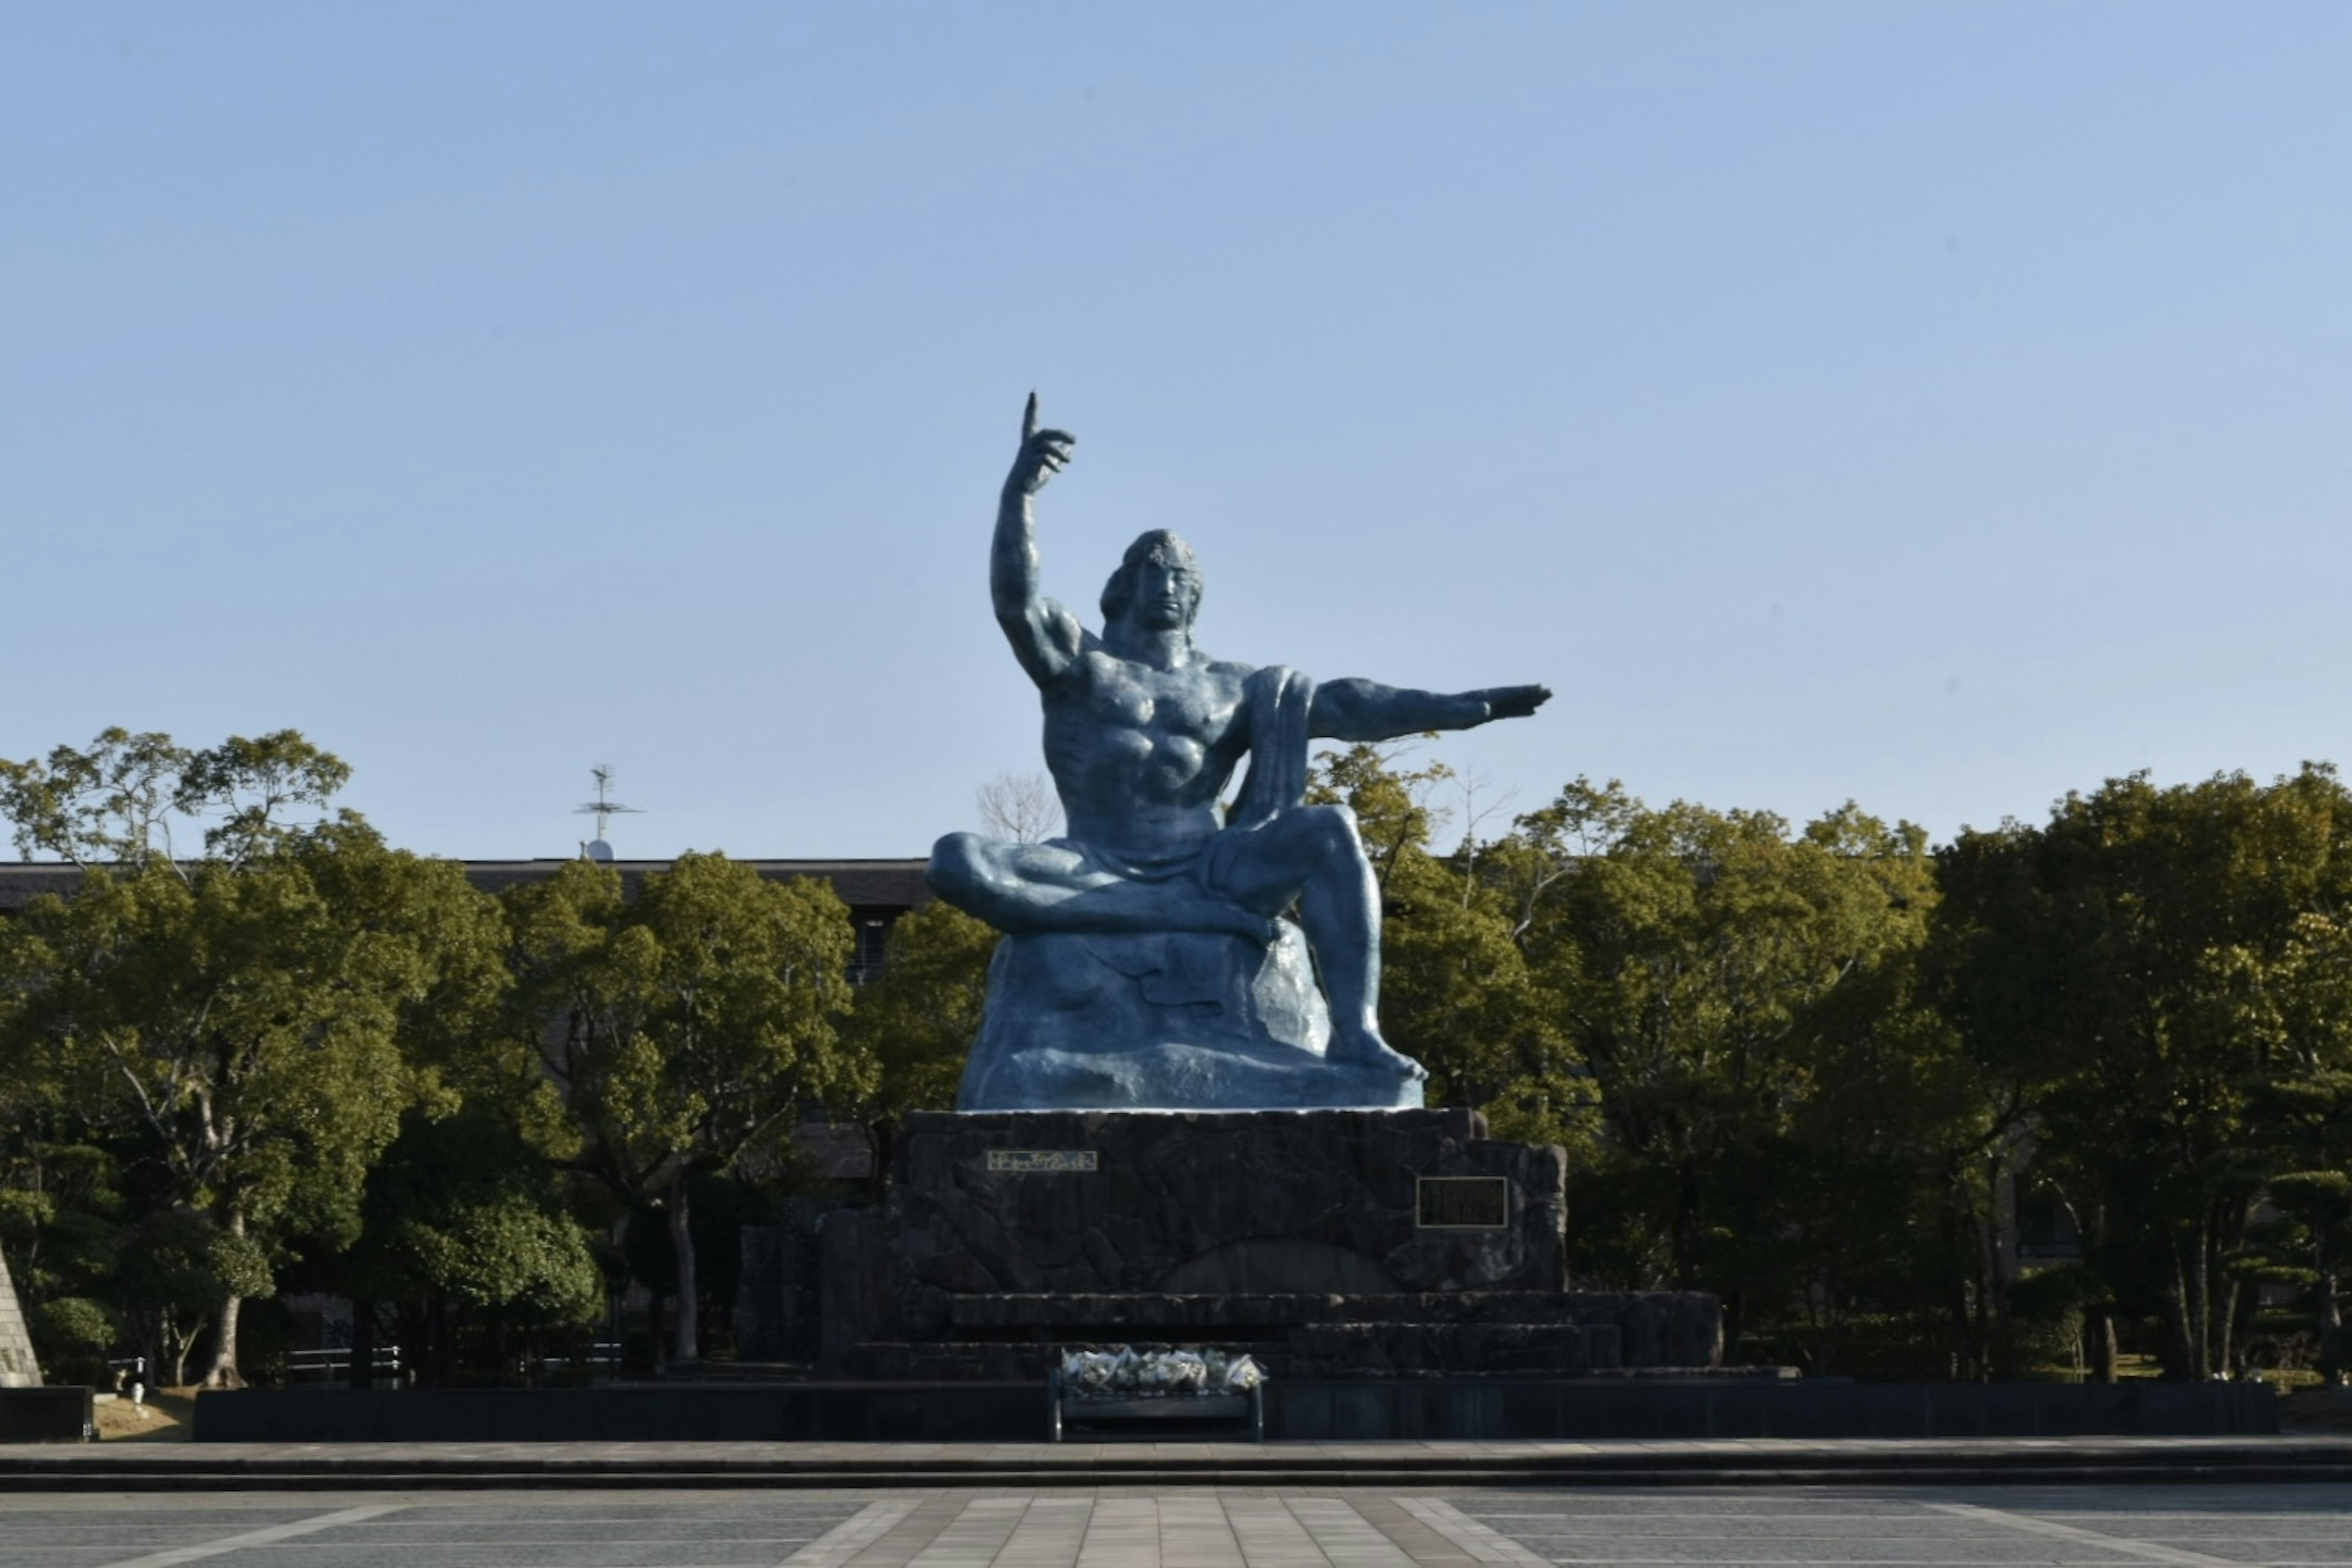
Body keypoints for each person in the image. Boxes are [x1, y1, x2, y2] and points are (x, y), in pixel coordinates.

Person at [930, 394, 1549, 1077]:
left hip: (1210, 866)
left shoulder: (1238, 686)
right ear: (1124, 585)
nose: (1169, 584)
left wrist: (1463, 706)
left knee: (1331, 828)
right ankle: (1172, 913)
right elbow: (1015, 601)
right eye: (1154, 570)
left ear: (1197, 595)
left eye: (1182, 576)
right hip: (1091, 862)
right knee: (956, 860)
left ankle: (1357, 1033)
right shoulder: (1081, 664)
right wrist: (1020, 493)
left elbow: (1345, 704)